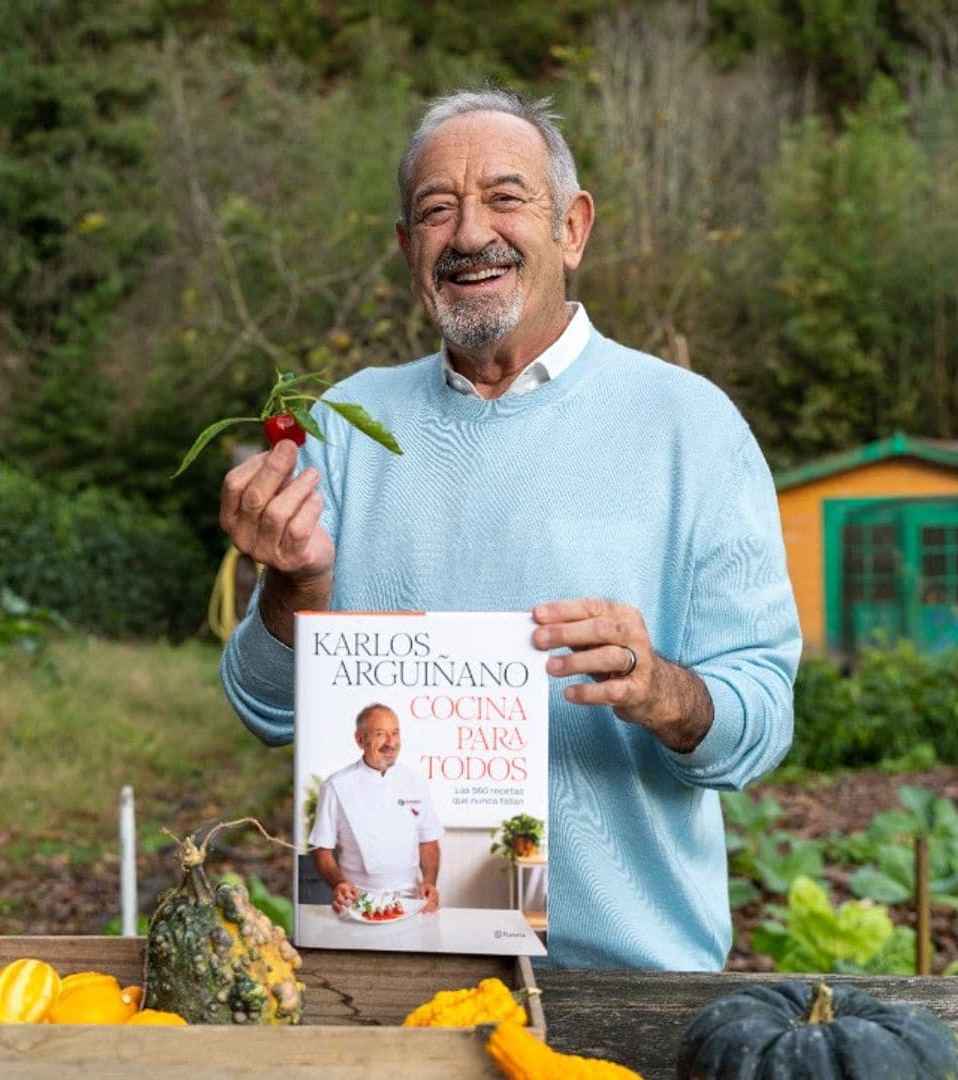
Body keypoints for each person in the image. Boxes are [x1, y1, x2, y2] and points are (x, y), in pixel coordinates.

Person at [218, 87, 802, 969]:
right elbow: (262, 708)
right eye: (436, 210)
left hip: (623, 984)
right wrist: (293, 587)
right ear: (407, 248)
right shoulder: (343, 427)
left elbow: (759, 725)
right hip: (387, 973)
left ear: (572, 227)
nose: (468, 234)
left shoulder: (691, 426)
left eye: (504, 197)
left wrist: (659, 690)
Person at [308, 703, 443, 914]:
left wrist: (429, 882)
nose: (391, 742)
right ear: (360, 739)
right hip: (357, 902)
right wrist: (339, 884)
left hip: (411, 901)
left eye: (395, 733)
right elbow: (321, 849)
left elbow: (429, 841)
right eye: (380, 734)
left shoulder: (415, 781)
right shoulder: (336, 786)